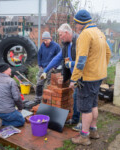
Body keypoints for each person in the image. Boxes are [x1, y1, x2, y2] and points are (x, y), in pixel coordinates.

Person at [69, 10, 111, 145]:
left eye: (76, 23)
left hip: (87, 78)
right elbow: (108, 53)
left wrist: (73, 79)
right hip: (99, 76)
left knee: (85, 108)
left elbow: (81, 60)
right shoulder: (99, 32)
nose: (75, 26)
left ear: (80, 23)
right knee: (93, 104)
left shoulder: (85, 34)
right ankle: (93, 131)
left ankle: (84, 137)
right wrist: (101, 67)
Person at [40, 23, 80, 127]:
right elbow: (57, 58)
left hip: (81, 75)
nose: (60, 37)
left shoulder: (79, 42)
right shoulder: (66, 45)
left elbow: (83, 61)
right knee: (76, 96)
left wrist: (74, 76)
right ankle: (76, 119)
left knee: (78, 97)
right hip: (73, 75)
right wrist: (46, 70)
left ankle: (78, 121)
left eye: (61, 35)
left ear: (67, 33)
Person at [0, 63, 25, 131]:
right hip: (6, 112)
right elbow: (17, 98)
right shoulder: (10, 81)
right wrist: (20, 108)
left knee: (9, 112)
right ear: (5, 70)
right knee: (21, 121)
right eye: (9, 68)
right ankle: (3, 122)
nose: (11, 69)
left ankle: (0, 119)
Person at [34, 31, 61, 103]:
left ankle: (49, 100)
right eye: (43, 40)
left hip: (50, 69)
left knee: (49, 85)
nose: (45, 42)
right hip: (43, 69)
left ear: (50, 38)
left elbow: (60, 58)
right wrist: (40, 65)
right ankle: (38, 99)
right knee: (40, 83)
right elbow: (39, 55)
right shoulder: (42, 46)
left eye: (46, 40)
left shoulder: (56, 46)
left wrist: (55, 67)